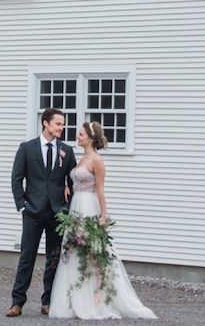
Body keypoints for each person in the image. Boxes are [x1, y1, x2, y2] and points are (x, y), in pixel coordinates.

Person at [49, 122, 157, 320]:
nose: (77, 136)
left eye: (81, 134)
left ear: (90, 138)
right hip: (76, 207)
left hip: (89, 206)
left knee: (94, 252)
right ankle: (75, 297)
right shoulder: (81, 158)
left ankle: (97, 297)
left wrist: (103, 214)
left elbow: (100, 190)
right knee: (74, 251)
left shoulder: (97, 160)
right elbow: (75, 181)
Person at [7, 108, 76, 318]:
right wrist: (22, 205)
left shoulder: (67, 150)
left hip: (56, 213)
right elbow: (16, 178)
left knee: (53, 259)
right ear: (45, 123)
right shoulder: (27, 148)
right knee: (26, 257)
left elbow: (72, 181)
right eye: (58, 123)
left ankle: (48, 302)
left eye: (63, 124)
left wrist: (67, 207)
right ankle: (17, 302)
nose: (61, 127)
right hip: (32, 212)